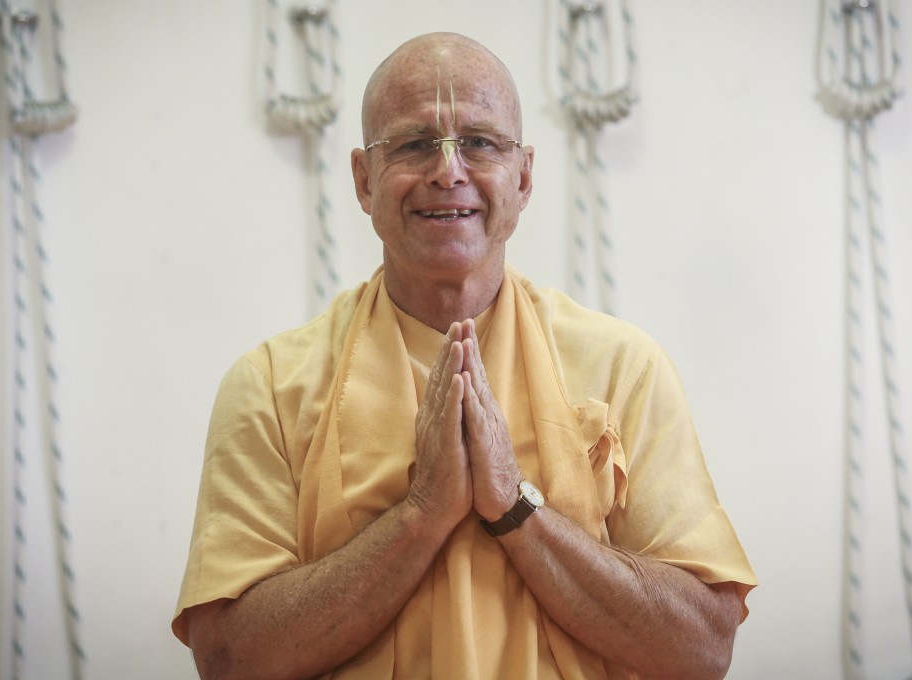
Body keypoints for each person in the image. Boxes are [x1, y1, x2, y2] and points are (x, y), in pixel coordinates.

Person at [173, 32, 757, 680]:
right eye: (415, 143)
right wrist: (421, 515)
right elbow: (227, 659)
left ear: (524, 176)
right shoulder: (273, 386)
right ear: (364, 181)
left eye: (479, 142)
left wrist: (515, 507)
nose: (448, 170)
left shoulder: (622, 367)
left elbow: (703, 647)